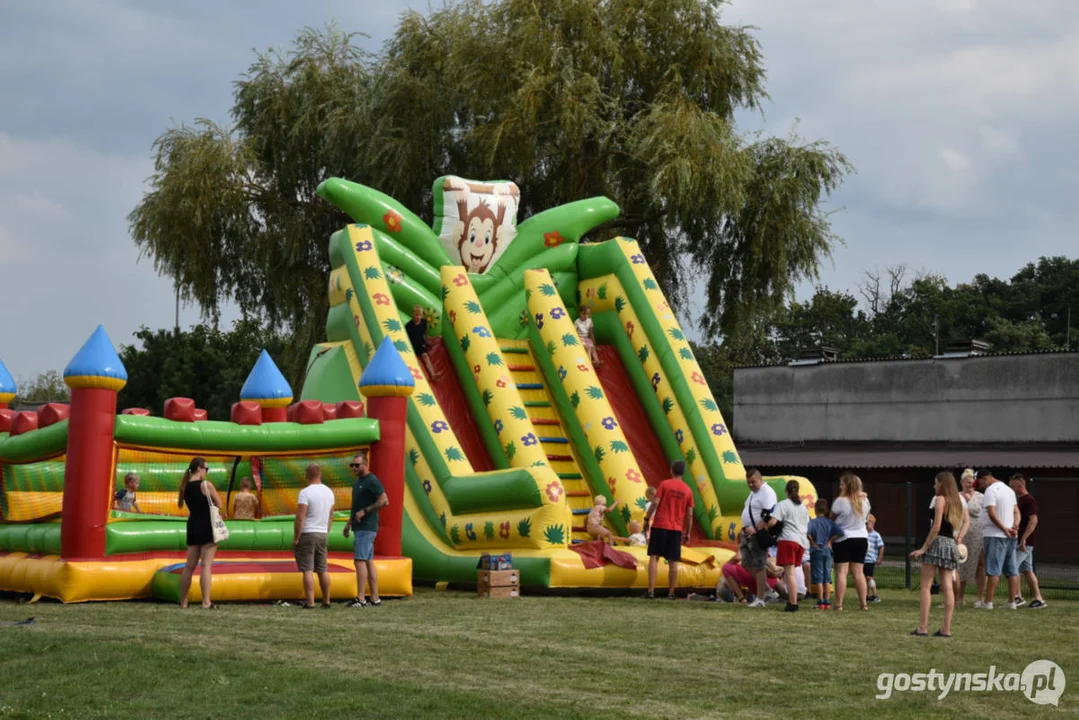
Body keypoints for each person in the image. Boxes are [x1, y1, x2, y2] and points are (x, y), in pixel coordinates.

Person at [910, 471, 964, 637]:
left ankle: (923, 627)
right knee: (948, 587)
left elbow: (936, 526)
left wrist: (924, 548)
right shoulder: (957, 502)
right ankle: (946, 629)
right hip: (950, 545)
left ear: (942, 483)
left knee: (926, 586)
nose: (934, 486)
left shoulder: (940, 499)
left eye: (936, 482)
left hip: (937, 542)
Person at [177, 457, 223, 609]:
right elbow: (219, 503)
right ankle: (206, 602)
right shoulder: (205, 485)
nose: (206, 472)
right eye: (206, 469)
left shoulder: (185, 486)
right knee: (206, 565)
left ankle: (183, 602)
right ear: (199, 468)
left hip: (193, 524)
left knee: (189, 566)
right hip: (207, 524)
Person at [643, 461, 694, 599]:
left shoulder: (664, 484)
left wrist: (647, 519)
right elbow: (689, 514)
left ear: (671, 470)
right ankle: (671, 593)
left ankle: (651, 591)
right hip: (676, 528)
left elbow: (655, 503)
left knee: (654, 556)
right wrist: (687, 532)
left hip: (660, 525)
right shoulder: (688, 490)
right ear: (683, 472)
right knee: (673, 561)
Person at [344, 451, 388, 608]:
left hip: (366, 527)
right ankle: (375, 597)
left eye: (357, 465)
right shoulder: (359, 482)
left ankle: (361, 598)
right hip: (360, 527)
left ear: (365, 464)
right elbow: (357, 506)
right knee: (368, 562)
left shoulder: (372, 480)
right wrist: (349, 523)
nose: (354, 468)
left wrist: (365, 511)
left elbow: (384, 501)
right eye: (352, 465)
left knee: (359, 561)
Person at [293, 463, 335, 609]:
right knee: (323, 569)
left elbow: (300, 517)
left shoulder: (305, 493)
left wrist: (297, 537)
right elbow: (331, 516)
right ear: (320, 474)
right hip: (322, 533)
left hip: (308, 532)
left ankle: (310, 602)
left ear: (307, 475)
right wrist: (326, 531)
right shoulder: (329, 492)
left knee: (308, 569)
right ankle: (327, 600)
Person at [977, 469, 1020, 610]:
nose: (981, 486)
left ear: (985, 479)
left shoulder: (990, 490)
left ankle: (988, 602)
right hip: (1011, 536)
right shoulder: (1009, 490)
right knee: (1012, 569)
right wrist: (1015, 525)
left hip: (995, 535)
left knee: (993, 569)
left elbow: (991, 513)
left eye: (980, 482)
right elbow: (1016, 511)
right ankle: (1012, 602)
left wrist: (1003, 528)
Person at [739, 468, 780, 608]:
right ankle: (768, 592)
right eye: (748, 482)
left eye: (753, 482)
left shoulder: (767, 493)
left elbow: (768, 515)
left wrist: (756, 529)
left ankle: (761, 598)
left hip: (757, 534)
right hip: (747, 533)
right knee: (745, 562)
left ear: (760, 479)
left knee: (759, 565)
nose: (750, 485)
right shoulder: (753, 493)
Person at [767, 479, 810, 612]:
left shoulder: (783, 504)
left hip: (788, 540)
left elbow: (773, 522)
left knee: (789, 573)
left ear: (786, 491)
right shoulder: (803, 507)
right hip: (801, 542)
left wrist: (765, 525)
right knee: (793, 572)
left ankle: (792, 603)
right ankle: (794, 599)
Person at [831, 472, 871, 612]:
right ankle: (863, 604)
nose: (839, 486)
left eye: (842, 484)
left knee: (841, 572)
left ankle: (839, 604)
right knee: (859, 572)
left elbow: (832, 518)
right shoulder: (865, 501)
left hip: (844, 538)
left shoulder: (840, 501)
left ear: (847, 485)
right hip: (862, 538)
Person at [1010, 473, 1047, 609]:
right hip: (1023, 542)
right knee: (1027, 570)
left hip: (1025, 543)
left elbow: (1033, 520)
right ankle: (1038, 599)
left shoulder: (1028, 500)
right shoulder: (1020, 500)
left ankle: (1017, 596)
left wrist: (1024, 539)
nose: (1011, 489)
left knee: (1013, 566)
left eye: (1013, 486)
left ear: (1020, 486)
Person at [954, 468, 986, 607]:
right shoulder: (956, 496)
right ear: (961, 482)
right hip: (962, 535)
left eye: (972, 482)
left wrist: (969, 501)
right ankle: (959, 598)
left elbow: (981, 512)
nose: (970, 485)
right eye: (967, 482)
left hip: (978, 535)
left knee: (980, 565)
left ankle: (980, 598)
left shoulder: (981, 497)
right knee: (961, 565)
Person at [807, 499, 839, 610]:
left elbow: (807, 533)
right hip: (827, 550)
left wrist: (812, 542)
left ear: (815, 509)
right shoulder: (830, 522)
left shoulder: (812, 522)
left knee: (818, 577)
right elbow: (840, 532)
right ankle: (827, 601)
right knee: (827, 577)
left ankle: (820, 601)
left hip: (817, 551)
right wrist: (830, 541)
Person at [405, 304, 441, 381]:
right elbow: (406, 338)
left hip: (421, 343)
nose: (418, 317)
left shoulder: (424, 322)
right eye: (416, 315)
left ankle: (433, 375)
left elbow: (425, 333)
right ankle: (430, 375)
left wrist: (428, 341)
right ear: (413, 314)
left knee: (425, 356)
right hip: (413, 345)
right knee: (421, 357)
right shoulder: (408, 326)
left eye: (420, 315)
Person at [864, 515, 885, 603]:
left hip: (870, 560)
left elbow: (881, 547)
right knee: (865, 578)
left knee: (869, 577)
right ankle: (866, 595)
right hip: (863, 560)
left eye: (867, 523)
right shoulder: (864, 534)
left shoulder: (876, 535)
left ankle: (875, 595)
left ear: (872, 523)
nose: (865, 525)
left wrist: (879, 558)